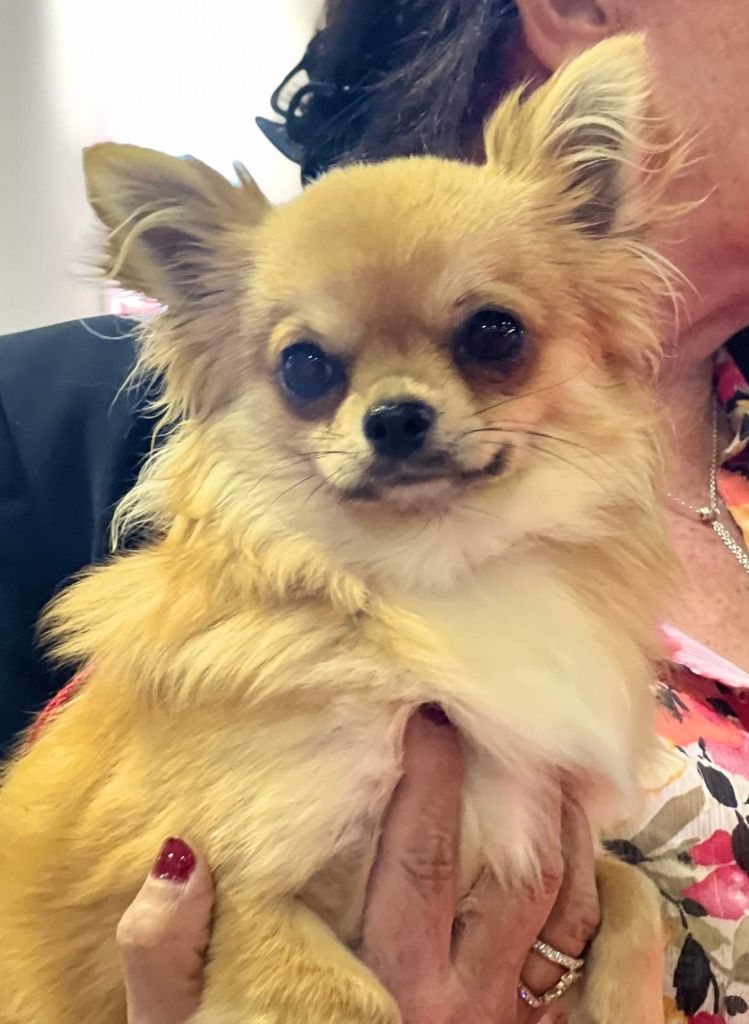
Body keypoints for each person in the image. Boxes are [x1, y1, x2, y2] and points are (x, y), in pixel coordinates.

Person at [2, 0, 749, 1020]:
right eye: (312, 368)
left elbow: (543, 876)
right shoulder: (210, 626)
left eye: (488, 338)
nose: (397, 407)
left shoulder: (621, 535)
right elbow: (213, 923)